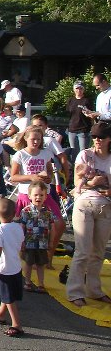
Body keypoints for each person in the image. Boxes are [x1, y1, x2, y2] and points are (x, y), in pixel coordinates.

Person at [66, 121, 111, 307]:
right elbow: (78, 180)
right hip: (85, 203)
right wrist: (94, 182)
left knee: (98, 252)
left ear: (109, 139)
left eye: (101, 137)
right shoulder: (85, 154)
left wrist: (105, 182)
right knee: (82, 251)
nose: (97, 140)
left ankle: (94, 289)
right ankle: (75, 291)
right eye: (94, 136)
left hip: (106, 206)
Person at [9, 126, 66, 268]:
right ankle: (26, 258)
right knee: (29, 229)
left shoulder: (46, 153)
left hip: (44, 194)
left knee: (59, 224)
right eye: (33, 139)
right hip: (27, 195)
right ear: (26, 138)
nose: (35, 142)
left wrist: (48, 178)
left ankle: (48, 258)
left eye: (38, 139)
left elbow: (49, 172)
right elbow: (13, 177)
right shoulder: (20, 155)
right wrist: (30, 177)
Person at [0, 197, 26, 338]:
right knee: (7, 294)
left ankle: (17, 324)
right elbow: (21, 245)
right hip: (16, 266)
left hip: (4, 268)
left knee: (8, 297)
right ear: (15, 213)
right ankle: (0, 314)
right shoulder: (18, 227)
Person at [18, 180, 55, 294]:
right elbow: (22, 226)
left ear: (45, 196)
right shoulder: (26, 211)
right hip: (29, 242)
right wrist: (21, 241)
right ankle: (28, 282)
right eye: (35, 195)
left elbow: (52, 227)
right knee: (28, 263)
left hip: (42, 243)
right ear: (29, 196)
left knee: (41, 264)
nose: (38, 197)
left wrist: (51, 241)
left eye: (41, 195)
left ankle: (40, 283)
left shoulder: (48, 212)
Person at [66, 81, 92, 156]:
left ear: (84, 90)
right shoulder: (70, 100)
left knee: (83, 153)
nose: (79, 90)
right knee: (73, 152)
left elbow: (91, 114)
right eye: (77, 88)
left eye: (81, 88)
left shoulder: (86, 100)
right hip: (72, 130)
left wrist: (88, 114)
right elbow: (68, 113)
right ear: (74, 89)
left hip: (83, 130)